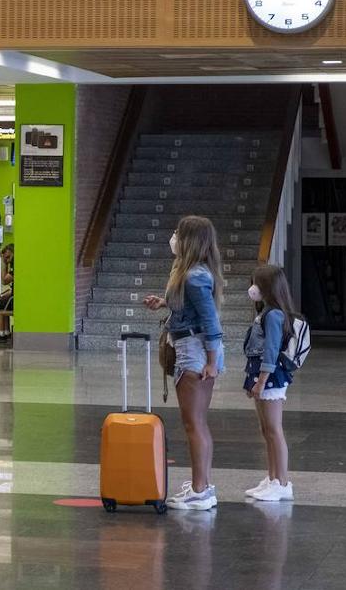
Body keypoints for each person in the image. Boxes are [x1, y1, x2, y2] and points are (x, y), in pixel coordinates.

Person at [143, 215, 225, 511]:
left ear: (189, 240)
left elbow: (210, 321)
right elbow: (192, 309)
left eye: (178, 232)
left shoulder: (194, 277)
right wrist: (164, 303)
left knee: (194, 423)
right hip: (193, 347)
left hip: (195, 351)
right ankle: (202, 485)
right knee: (197, 423)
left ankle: (200, 490)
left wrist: (212, 362)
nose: (173, 236)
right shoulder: (191, 273)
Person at [243, 264, 300, 503]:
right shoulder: (265, 312)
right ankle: (272, 478)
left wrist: (261, 382)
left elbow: (271, 350)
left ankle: (282, 482)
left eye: (256, 283)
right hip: (261, 376)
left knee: (274, 430)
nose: (252, 288)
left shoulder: (274, 315)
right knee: (266, 430)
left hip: (271, 377)